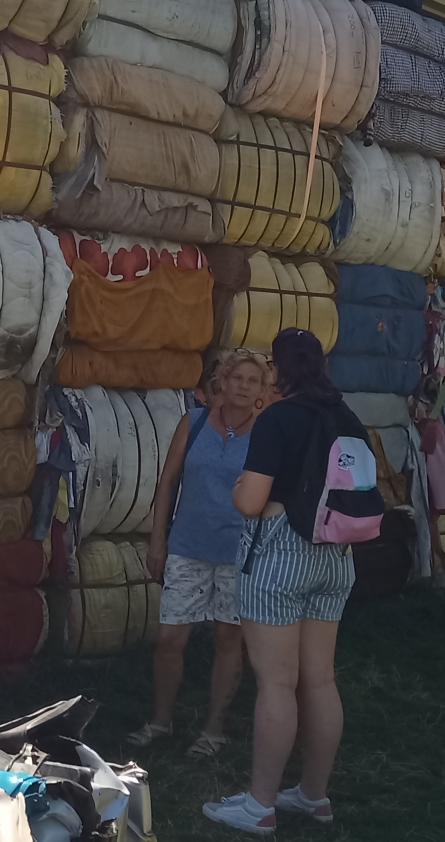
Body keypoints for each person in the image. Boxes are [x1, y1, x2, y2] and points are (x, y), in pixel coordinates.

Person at [203, 328, 369, 834]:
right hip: (336, 555)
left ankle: (260, 805)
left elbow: (251, 501)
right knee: (320, 679)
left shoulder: (278, 418)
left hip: (280, 553)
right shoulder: (346, 415)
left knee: (276, 682)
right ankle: (314, 795)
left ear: (280, 370)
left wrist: (239, 488)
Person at [126, 349, 268, 757]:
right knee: (170, 637)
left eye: (253, 381)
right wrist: (158, 539)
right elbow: (168, 481)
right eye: (237, 378)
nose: (243, 387)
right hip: (188, 545)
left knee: (228, 639)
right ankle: (160, 721)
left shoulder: (265, 433)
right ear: (222, 381)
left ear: (262, 390)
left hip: (239, 551)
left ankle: (213, 730)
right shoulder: (195, 422)